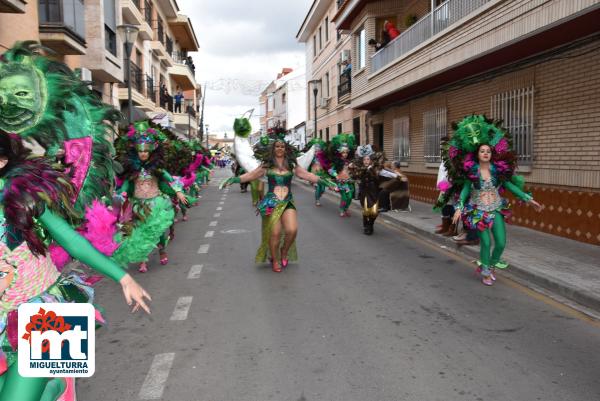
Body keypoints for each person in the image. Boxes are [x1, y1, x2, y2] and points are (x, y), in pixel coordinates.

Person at [0, 130, 151, 401]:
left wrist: (124, 278)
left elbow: (71, 240)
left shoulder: (22, 197)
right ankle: (50, 389)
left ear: (1, 161)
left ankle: (55, 383)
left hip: (47, 309)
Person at [220, 124, 336, 272]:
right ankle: (275, 259)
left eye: (282, 146)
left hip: (287, 201)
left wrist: (325, 181)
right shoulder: (267, 165)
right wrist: (233, 180)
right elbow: (251, 175)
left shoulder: (292, 164)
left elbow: (306, 175)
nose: (280, 149)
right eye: (277, 146)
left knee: (292, 230)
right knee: (274, 233)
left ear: (285, 149)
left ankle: (284, 251)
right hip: (271, 202)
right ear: (273, 149)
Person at [445, 115, 542, 285]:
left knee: (501, 243)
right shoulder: (471, 171)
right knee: (486, 241)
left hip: (496, 208)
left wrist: (528, 199)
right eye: (482, 151)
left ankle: (490, 265)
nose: (485, 153)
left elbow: (511, 187)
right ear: (477, 154)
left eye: (488, 151)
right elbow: (465, 191)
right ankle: (485, 272)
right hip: (478, 211)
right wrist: (460, 207)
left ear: (491, 154)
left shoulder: (497, 170)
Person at [113, 121, 189, 273]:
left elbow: (170, 179)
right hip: (138, 206)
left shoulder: (157, 168)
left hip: (156, 204)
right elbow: (126, 186)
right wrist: (120, 195)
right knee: (140, 233)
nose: (143, 154)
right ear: (136, 152)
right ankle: (143, 260)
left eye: (146, 151)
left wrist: (179, 191)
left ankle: (162, 251)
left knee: (157, 232)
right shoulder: (132, 169)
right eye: (140, 151)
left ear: (151, 152)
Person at [350, 145, 404, 235]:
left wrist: (397, 176)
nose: (366, 161)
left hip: (373, 191)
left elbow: (386, 173)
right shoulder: (359, 169)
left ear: (371, 160)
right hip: (364, 192)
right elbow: (354, 176)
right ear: (362, 161)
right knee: (366, 210)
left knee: (374, 211)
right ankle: (367, 226)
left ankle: (371, 224)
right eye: (364, 160)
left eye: (367, 159)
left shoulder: (376, 169)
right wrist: (351, 168)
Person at [328, 133, 356, 217]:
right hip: (341, 182)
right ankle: (342, 210)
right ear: (340, 152)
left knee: (350, 197)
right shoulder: (337, 161)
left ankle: (346, 208)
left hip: (349, 181)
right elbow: (330, 170)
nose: (345, 154)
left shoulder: (349, 161)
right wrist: (336, 175)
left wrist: (352, 168)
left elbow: (351, 171)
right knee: (344, 197)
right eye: (343, 152)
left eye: (346, 152)